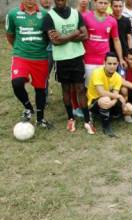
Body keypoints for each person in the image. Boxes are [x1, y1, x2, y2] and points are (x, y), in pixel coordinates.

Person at [42, 0, 96, 134]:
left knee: (80, 88)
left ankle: (87, 120)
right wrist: (75, 33)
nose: (60, 1)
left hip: (77, 57)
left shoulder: (75, 13)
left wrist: (63, 37)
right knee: (66, 88)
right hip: (61, 59)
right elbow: (55, 41)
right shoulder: (49, 16)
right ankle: (70, 117)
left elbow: (85, 35)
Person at [6, 0, 52, 128]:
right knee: (17, 82)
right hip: (21, 56)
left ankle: (40, 119)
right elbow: (10, 35)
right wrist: (19, 48)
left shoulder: (44, 14)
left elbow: (48, 36)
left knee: (40, 89)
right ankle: (28, 107)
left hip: (40, 57)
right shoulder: (13, 14)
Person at [87, 52, 132, 137]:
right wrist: (119, 96)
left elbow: (115, 94)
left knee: (130, 108)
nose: (112, 66)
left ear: (118, 64)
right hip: (95, 102)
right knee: (106, 99)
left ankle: (112, 114)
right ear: (104, 63)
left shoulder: (118, 77)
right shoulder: (97, 72)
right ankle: (106, 127)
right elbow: (101, 92)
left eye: (114, 64)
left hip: (109, 100)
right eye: (109, 63)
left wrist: (113, 102)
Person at [82, 0, 127, 85]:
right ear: (95, 3)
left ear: (109, 5)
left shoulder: (112, 20)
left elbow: (116, 40)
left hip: (105, 60)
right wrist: (81, 57)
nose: (103, 5)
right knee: (89, 86)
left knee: (105, 86)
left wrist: (120, 58)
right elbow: (81, 39)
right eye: (100, 2)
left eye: (105, 3)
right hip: (88, 59)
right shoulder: (85, 17)